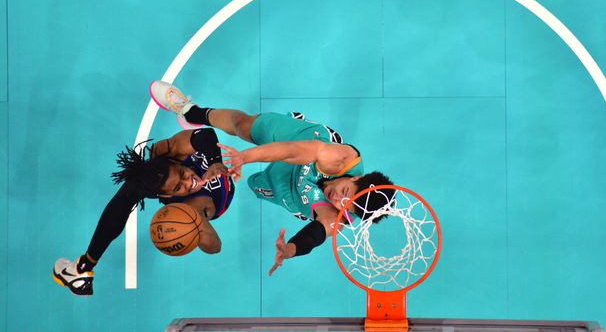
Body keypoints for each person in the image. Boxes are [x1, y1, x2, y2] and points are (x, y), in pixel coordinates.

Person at [148, 80, 394, 276]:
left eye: (345, 205)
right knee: (243, 125)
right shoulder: (340, 159)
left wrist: (289, 250)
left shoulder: (338, 215)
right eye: (346, 193)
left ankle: (265, 173)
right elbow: (290, 150)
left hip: (292, 192)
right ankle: (193, 112)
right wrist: (246, 156)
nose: (338, 199)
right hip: (300, 141)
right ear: (354, 179)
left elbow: (315, 235)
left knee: (256, 184)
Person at [53, 127, 235, 296]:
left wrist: (215, 162)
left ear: (175, 163)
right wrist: (197, 226)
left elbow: (206, 134)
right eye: (179, 187)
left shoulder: (170, 151)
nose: (190, 182)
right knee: (126, 197)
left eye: (182, 174)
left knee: (159, 150)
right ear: (166, 195)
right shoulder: (194, 207)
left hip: (173, 158)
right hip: (208, 201)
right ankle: (85, 267)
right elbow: (214, 247)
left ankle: (83, 266)